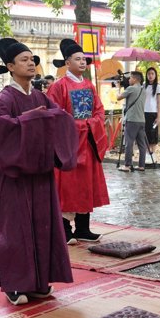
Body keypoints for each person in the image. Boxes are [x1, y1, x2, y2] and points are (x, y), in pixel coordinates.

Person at [0, 38, 78, 306]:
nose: (31, 63)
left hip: (41, 175)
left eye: (32, 59)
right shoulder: (4, 99)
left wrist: (53, 118)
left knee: (42, 226)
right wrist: (31, 119)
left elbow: (61, 121)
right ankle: (14, 283)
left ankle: (39, 281)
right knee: (17, 230)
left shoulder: (39, 96)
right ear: (10, 66)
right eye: (24, 60)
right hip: (16, 176)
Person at [47, 38, 109, 243]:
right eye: (78, 59)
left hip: (88, 143)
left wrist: (90, 124)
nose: (83, 62)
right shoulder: (58, 87)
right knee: (67, 186)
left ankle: (83, 228)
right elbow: (54, 116)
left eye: (84, 59)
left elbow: (99, 111)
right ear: (67, 63)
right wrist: (80, 125)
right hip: (70, 146)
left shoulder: (90, 86)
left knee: (85, 185)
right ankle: (64, 229)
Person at [117, 71, 149, 172]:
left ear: (135, 79)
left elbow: (118, 98)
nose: (129, 80)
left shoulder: (131, 88)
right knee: (142, 144)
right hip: (141, 120)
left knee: (129, 143)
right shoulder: (143, 90)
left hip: (131, 120)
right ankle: (141, 165)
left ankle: (127, 165)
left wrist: (118, 87)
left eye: (130, 78)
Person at [144, 67, 160, 155]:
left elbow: (159, 103)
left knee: (153, 134)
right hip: (144, 113)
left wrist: (158, 117)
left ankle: (153, 154)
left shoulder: (158, 87)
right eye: (148, 74)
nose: (150, 76)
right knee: (145, 134)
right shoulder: (143, 85)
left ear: (155, 75)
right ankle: (147, 154)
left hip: (153, 113)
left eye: (152, 74)